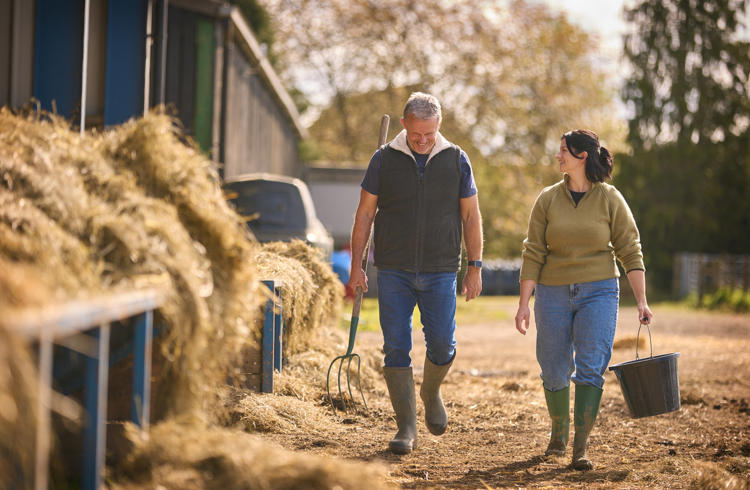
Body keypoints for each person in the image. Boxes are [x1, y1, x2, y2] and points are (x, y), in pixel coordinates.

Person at [347, 92, 483, 454]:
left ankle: (431, 390)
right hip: (393, 268)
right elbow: (364, 214)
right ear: (404, 123)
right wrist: (356, 265)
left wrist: (475, 267)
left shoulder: (456, 159)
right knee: (396, 346)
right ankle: (406, 426)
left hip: (440, 269)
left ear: (438, 126)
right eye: (417, 134)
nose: (423, 141)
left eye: (430, 134)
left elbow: (471, 216)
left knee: (442, 343)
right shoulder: (383, 160)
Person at [514, 129, 654, 471]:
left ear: (582, 157)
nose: (558, 156)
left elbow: (629, 249)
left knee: (591, 367)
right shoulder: (547, 199)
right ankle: (558, 434)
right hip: (553, 291)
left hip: (600, 291)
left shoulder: (610, 198)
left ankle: (580, 447)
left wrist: (642, 301)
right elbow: (533, 251)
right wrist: (523, 302)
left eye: (564, 150)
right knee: (553, 367)